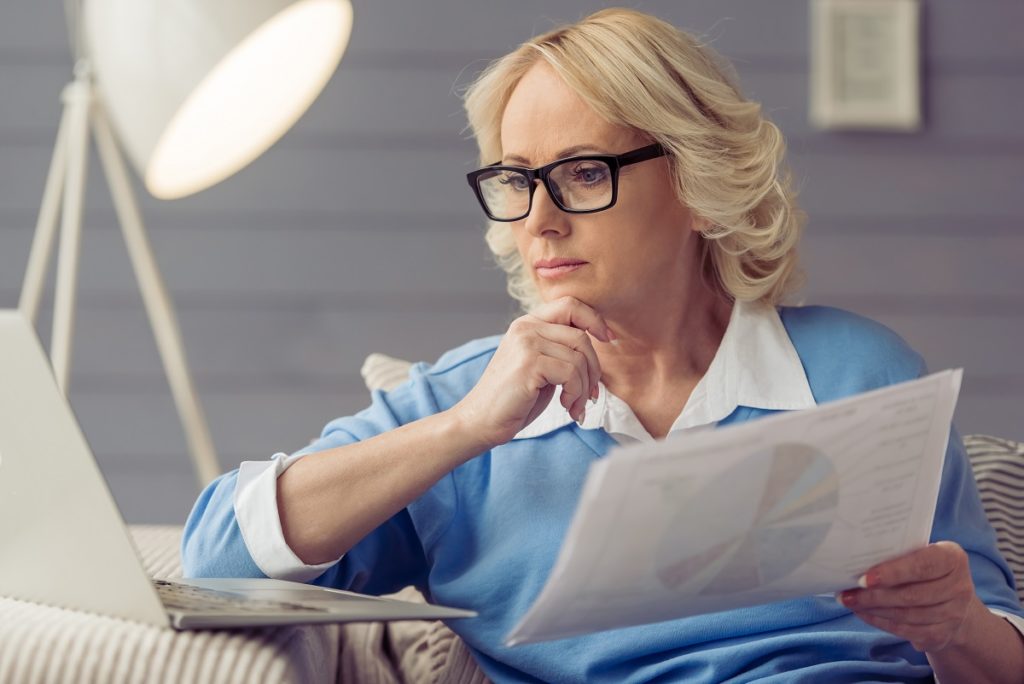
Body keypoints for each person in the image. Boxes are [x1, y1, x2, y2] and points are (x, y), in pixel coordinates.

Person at [182, 8, 1024, 682]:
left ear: (699, 181)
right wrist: (465, 430)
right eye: (516, 180)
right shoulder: (465, 409)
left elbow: (996, 655)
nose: (540, 219)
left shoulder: (860, 372)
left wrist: (956, 626)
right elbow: (216, 556)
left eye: (584, 172)